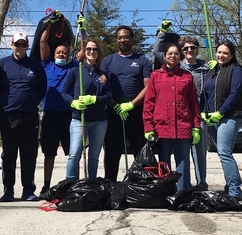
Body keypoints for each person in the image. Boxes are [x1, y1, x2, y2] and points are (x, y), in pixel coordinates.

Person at [153, 20, 209, 189]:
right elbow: (157, 50)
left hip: (198, 116)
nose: (189, 50)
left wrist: (217, 68)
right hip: (171, 118)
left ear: (197, 49)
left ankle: (200, 185)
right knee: (168, 158)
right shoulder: (174, 67)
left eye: (192, 48)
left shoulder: (205, 67)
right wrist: (161, 33)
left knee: (198, 155)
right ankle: (169, 188)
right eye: (185, 48)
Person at [0, 32, 47, 202]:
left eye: (23, 45)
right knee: (9, 154)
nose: (20, 48)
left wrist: (29, 103)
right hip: (8, 117)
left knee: (29, 154)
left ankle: (28, 190)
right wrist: (7, 104)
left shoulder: (35, 66)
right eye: (17, 44)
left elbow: (41, 89)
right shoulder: (2, 65)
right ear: (12, 45)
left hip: (29, 116)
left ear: (27, 47)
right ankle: (8, 189)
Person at [38, 13, 86, 199]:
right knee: (49, 154)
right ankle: (46, 186)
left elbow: (84, 51)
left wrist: (82, 30)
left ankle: (71, 184)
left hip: (69, 115)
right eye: (59, 53)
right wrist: (49, 24)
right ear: (54, 54)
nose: (61, 55)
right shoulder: (47, 64)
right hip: (50, 114)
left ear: (68, 55)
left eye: (64, 53)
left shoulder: (73, 66)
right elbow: (43, 42)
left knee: (73, 153)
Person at [143, 41, 201, 191]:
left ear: (180, 56)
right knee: (164, 164)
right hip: (162, 128)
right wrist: (148, 127)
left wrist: (196, 126)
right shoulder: (155, 76)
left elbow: (194, 104)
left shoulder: (187, 76)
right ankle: (165, 192)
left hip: (183, 127)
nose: (173, 56)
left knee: (183, 163)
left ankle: (182, 193)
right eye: (170, 53)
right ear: (164, 56)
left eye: (176, 53)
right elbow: (149, 103)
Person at [100, 25, 152, 182]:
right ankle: (110, 184)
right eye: (119, 37)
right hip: (113, 112)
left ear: (132, 39)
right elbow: (101, 86)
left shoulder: (142, 60)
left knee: (139, 149)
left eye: (125, 37)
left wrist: (131, 104)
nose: (122, 40)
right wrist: (114, 104)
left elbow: (148, 87)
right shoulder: (108, 61)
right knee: (112, 151)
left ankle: (139, 184)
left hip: (135, 112)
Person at [201, 40, 242, 199]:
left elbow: (235, 94)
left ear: (232, 55)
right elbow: (206, 93)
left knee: (225, 152)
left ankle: (234, 190)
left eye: (225, 53)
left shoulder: (236, 70)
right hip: (212, 118)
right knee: (222, 153)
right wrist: (204, 112)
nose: (221, 55)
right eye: (219, 52)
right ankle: (231, 185)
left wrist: (220, 112)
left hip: (229, 116)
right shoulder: (212, 70)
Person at [62, 39, 111, 180]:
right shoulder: (76, 71)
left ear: (98, 53)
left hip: (99, 121)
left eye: (95, 49)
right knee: (74, 154)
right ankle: (69, 184)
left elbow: (109, 96)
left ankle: (91, 184)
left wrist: (94, 99)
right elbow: (64, 92)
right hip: (79, 119)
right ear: (84, 51)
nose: (91, 52)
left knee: (94, 156)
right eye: (88, 49)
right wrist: (73, 102)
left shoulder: (102, 74)